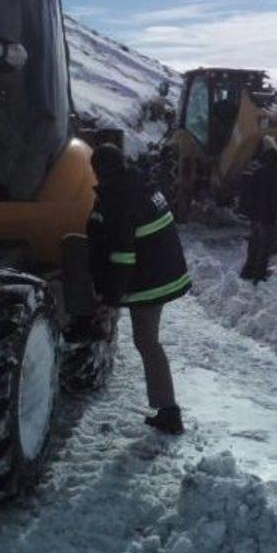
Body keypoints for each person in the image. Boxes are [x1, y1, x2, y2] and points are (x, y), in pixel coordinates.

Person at [87, 142, 191, 434]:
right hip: (163, 270)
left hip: (152, 278)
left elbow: (123, 256)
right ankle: (167, 409)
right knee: (148, 341)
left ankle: (170, 413)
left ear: (100, 172)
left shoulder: (121, 199)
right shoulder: (140, 183)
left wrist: (110, 299)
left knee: (146, 341)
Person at [239, 135, 277, 284]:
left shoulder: (256, 173)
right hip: (270, 216)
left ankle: (247, 271)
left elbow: (248, 193)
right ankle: (259, 275)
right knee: (265, 246)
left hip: (256, 215)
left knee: (254, 243)